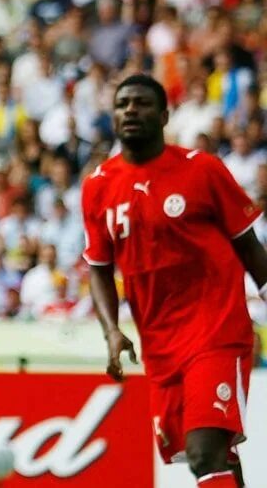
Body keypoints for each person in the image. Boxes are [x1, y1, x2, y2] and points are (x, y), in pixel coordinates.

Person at [84, 74, 259, 488]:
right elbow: (98, 267)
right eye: (123, 103)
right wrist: (111, 330)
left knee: (204, 453)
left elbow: (249, 246)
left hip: (216, 329)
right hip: (160, 344)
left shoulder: (202, 171)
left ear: (164, 116)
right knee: (216, 455)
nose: (131, 110)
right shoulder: (98, 187)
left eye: (142, 103)